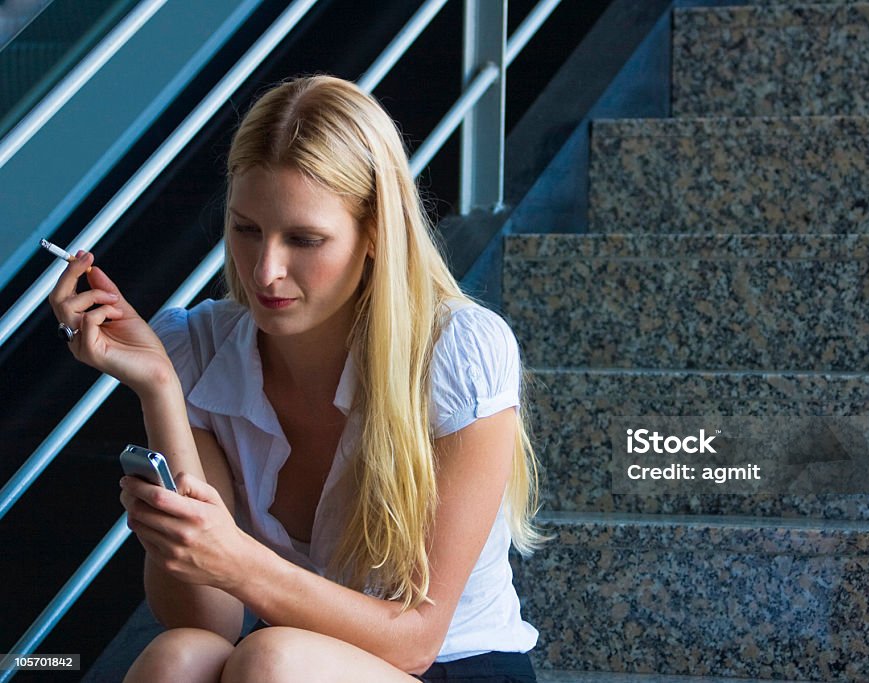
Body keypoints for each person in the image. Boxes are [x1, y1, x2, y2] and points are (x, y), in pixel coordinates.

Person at [48, 75, 546, 682]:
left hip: (450, 665)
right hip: (283, 664)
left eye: (304, 239)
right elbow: (207, 621)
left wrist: (238, 560)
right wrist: (160, 389)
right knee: (178, 658)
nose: (265, 270)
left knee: (273, 658)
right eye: (247, 229)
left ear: (375, 236)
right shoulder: (195, 348)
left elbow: (416, 641)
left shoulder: (457, 351)